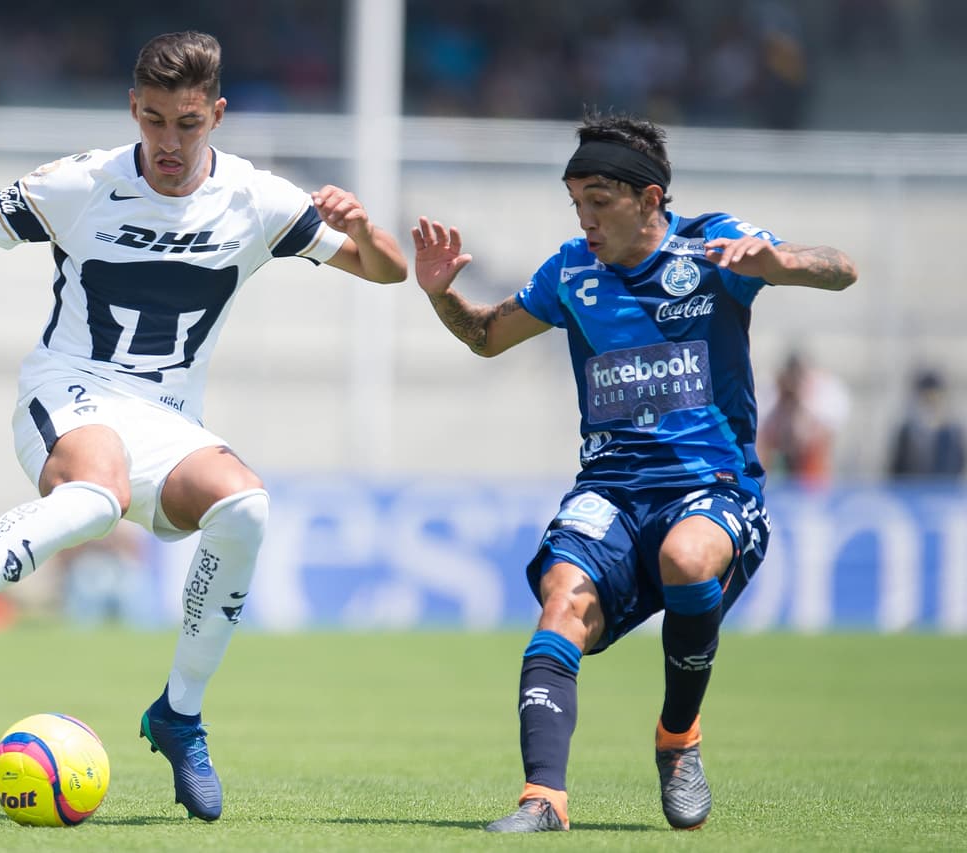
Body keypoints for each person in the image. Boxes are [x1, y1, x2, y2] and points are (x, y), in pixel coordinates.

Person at [0, 30, 406, 823]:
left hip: (168, 417)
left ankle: (178, 714)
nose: (168, 142)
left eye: (187, 123)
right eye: (153, 120)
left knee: (247, 506)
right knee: (96, 495)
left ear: (217, 115)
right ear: (133, 109)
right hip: (70, 392)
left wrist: (361, 226)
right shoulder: (83, 182)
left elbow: (387, 271)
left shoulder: (258, 200)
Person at [411, 111, 856, 832]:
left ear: (650, 200)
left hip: (711, 487)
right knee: (559, 603)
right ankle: (542, 800)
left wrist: (780, 264)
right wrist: (440, 295)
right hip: (610, 491)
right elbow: (488, 337)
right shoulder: (570, 272)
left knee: (687, 556)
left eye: (599, 201)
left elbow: (844, 268)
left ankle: (678, 738)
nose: (584, 219)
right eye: (576, 202)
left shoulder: (713, 247)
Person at [756, 351, 849, 486]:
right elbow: (761, 432)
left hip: (808, 454)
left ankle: (814, 489)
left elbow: (824, 431)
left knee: (816, 445)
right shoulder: (769, 391)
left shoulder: (821, 393)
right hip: (775, 440)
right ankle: (761, 485)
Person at [888, 368, 966, 480]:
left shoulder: (952, 432)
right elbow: (896, 468)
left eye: (935, 397)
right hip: (913, 491)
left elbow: (957, 465)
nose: (931, 402)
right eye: (926, 397)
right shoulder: (907, 431)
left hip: (943, 492)